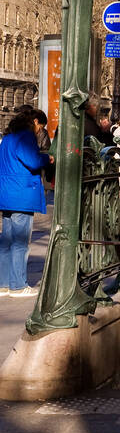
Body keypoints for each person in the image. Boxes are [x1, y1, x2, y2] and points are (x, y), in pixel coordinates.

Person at [0, 105, 51, 298]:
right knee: (21, 242)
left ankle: (3, 284)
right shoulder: (26, 137)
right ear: (35, 122)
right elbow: (33, 161)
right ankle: (18, 285)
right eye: (41, 127)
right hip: (21, 194)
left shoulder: (8, 138)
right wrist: (47, 158)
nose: (40, 131)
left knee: (6, 241)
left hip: (6, 194)